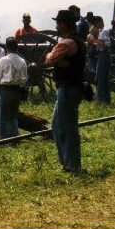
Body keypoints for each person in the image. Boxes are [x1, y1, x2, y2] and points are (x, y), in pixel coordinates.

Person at [45, 10, 86, 174]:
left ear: (62, 24)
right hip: (71, 87)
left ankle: (73, 165)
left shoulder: (66, 43)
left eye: (57, 23)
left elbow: (49, 60)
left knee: (67, 127)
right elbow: (55, 61)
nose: (56, 26)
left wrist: (51, 57)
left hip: (68, 88)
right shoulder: (78, 41)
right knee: (57, 125)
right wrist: (57, 61)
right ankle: (67, 162)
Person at [0, 37, 27, 139]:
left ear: (7, 48)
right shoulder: (22, 61)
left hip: (6, 90)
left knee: (3, 117)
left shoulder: (3, 60)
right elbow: (25, 78)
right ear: (17, 48)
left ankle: (4, 140)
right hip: (17, 91)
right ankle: (14, 137)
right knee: (13, 116)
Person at [94, 17, 111, 104]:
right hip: (102, 55)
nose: (95, 26)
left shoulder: (105, 31)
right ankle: (106, 99)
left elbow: (108, 44)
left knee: (101, 78)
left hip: (104, 54)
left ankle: (101, 99)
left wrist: (98, 42)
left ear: (100, 22)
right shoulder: (101, 31)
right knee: (102, 77)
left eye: (95, 24)